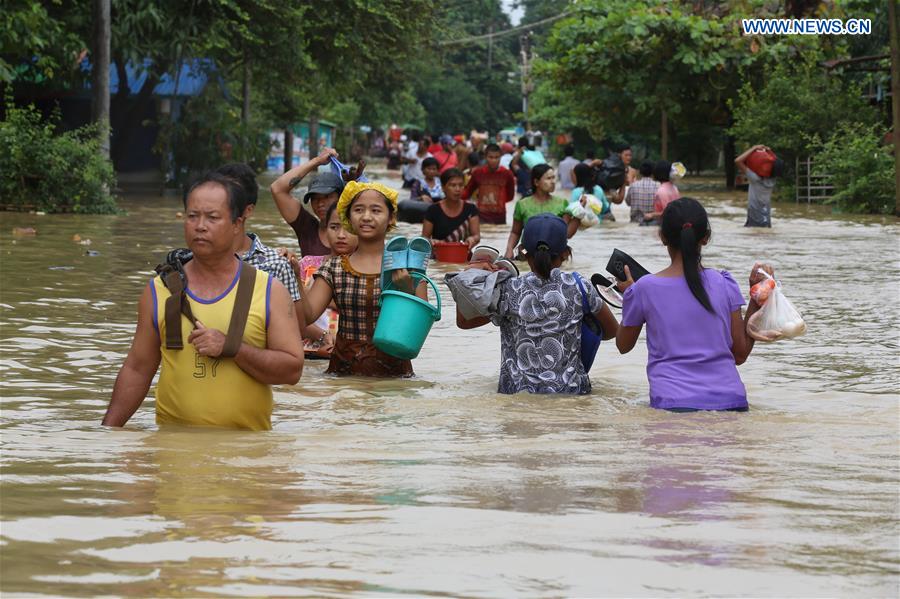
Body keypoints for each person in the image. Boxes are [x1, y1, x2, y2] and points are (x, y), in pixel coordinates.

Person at [101, 172, 303, 431]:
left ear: (237, 224)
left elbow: (292, 371)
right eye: (192, 216)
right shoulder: (159, 289)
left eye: (213, 217)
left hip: (247, 460)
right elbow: (138, 369)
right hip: (173, 454)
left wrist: (232, 348)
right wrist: (106, 436)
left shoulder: (268, 290)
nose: (200, 226)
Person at [615, 197, 772, 412]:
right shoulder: (724, 282)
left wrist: (629, 296)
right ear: (705, 238)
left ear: (662, 237)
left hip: (673, 404)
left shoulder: (644, 289)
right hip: (732, 402)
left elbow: (623, 346)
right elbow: (740, 354)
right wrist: (757, 297)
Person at [456, 214, 618, 394]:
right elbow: (612, 331)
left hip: (517, 397)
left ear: (523, 252)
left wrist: (469, 276)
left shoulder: (508, 289)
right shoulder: (581, 287)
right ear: (566, 254)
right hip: (571, 396)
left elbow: (464, 322)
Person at [300, 181, 428, 377]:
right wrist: (293, 276)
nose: (366, 217)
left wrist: (406, 291)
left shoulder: (409, 267)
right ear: (349, 218)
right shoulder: (334, 267)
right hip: (343, 374)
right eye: (359, 210)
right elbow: (306, 316)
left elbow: (418, 328)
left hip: (394, 376)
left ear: (391, 217)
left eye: (376, 210)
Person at [288, 202, 359, 357]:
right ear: (325, 230)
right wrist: (321, 336)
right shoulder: (306, 264)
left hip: (348, 354)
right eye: (334, 227)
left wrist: (311, 293)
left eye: (348, 228)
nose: (341, 235)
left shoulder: (366, 271)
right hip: (305, 354)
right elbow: (290, 313)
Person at [270, 149, 343, 257]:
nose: (320, 204)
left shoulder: (356, 230)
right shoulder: (307, 228)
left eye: (327, 197)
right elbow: (277, 189)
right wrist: (316, 161)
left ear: (341, 197)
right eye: (315, 198)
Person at [504, 164, 579, 259]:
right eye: (548, 178)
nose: (553, 182)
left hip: (554, 254)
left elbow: (566, 234)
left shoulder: (562, 203)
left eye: (553, 178)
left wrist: (579, 214)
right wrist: (509, 249)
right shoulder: (522, 204)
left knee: (563, 254)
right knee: (521, 249)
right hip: (527, 252)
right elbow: (515, 232)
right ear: (536, 182)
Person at [423, 168, 480, 247]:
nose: (457, 189)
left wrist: (472, 239)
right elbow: (424, 239)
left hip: (463, 255)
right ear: (443, 188)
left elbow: (476, 235)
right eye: (453, 185)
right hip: (439, 256)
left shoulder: (471, 209)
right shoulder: (433, 210)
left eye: (461, 185)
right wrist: (432, 242)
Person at [462, 143, 516, 225]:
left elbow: (510, 196)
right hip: (481, 216)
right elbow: (467, 192)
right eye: (490, 157)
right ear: (485, 157)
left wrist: (499, 202)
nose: (493, 160)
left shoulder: (507, 174)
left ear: (500, 157)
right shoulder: (478, 173)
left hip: (500, 217)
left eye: (496, 157)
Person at [735, 144, 782, 227]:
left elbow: (738, 161)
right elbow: (776, 163)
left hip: (755, 218)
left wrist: (754, 148)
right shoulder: (772, 180)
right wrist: (769, 151)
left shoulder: (755, 179)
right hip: (766, 220)